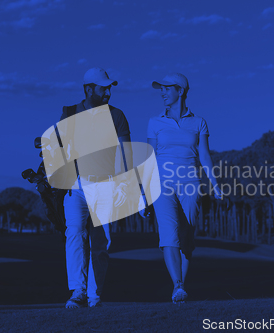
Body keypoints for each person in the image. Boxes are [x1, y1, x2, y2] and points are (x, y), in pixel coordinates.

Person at [143, 73, 222, 303]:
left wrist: (215, 185)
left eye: (167, 88)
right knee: (169, 234)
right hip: (162, 184)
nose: (162, 92)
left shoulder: (199, 122)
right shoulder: (154, 122)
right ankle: (177, 286)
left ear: (181, 91)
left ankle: (181, 284)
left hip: (190, 183)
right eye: (161, 89)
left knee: (186, 238)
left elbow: (205, 156)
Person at [59, 68, 132, 308]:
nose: (108, 92)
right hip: (75, 185)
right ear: (89, 89)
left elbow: (126, 153)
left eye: (110, 87)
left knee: (100, 244)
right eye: (104, 88)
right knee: (75, 234)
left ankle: (94, 296)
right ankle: (78, 292)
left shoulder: (117, 115)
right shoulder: (69, 113)